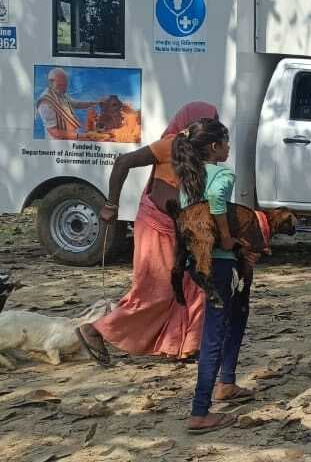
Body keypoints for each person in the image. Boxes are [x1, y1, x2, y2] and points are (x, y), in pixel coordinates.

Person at [78, 102, 218, 364]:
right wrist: (111, 204)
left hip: (181, 231)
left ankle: (184, 346)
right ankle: (95, 330)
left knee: (194, 286)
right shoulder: (169, 146)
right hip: (156, 226)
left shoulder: (205, 155)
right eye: (212, 121)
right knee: (158, 291)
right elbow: (123, 163)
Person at [168, 118, 257, 434]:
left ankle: (227, 383)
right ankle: (200, 411)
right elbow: (218, 202)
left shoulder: (189, 178)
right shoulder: (222, 174)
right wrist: (227, 237)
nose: (230, 147)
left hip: (197, 261)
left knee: (235, 315)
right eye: (226, 142)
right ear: (215, 147)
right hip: (219, 263)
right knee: (215, 332)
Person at [37, 67, 100, 140]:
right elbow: (53, 131)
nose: (64, 89)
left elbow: (76, 104)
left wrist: (95, 103)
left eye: (65, 85)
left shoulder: (59, 92)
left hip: (72, 136)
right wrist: (81, 136)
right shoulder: (45, 102)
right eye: (61, 85)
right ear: (50, 83)